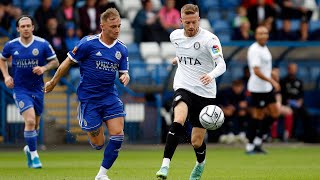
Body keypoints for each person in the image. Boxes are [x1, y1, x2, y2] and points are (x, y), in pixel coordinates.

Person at [44, 8, 129, 180]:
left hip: (109, 97)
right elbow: (67, 63)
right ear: (102, 26)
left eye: (119, 26)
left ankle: (101, 175)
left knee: (118, 135)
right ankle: (91, 126)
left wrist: (125, 75)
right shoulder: (88, 44)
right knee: (99, 143)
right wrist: (53, 82)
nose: (117, 30)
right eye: (113, 26)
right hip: (89, 99)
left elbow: (123, 72)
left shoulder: (122, 49)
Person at [156, 4, 226, 180]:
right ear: (181, 21)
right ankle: (165, 165)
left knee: (196, 141)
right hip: (184, 86)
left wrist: (211, 75)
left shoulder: (210, 40)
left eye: (194, 22)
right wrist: (178, 59)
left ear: (199, 20)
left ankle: (200, 163)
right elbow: (184, 52)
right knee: (178, 119)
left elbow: (222, 64)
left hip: (205, 92)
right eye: (187, 23)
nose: (191, 26)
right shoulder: (175, 36)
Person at [0, 15, 59, 168]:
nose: (25, 28)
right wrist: (6, 76)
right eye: (22, 26)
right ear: (18, 29)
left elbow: (55, 61)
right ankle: (35, 156)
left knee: (35, 125)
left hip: (38, 89)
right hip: (20, 89)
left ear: (33, 27)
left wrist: (44, 68)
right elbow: (2, 59)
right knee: (30, 120)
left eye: (28, 26)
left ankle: (28, 148)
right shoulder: (11, 45)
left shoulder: (42, 44)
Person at [245, 25, 280, 154]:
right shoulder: (254, 49)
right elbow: (256, 71)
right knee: (257, 116)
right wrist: (272, 80)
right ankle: (250, 144)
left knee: (275, 113)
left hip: (267, 88)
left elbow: (265, 68)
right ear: (256, 35)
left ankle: (259, 139)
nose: (263, 36)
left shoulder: (265, 48)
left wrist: (273, 73)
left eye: (265, 33)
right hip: (257, 88)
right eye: (260, 33)